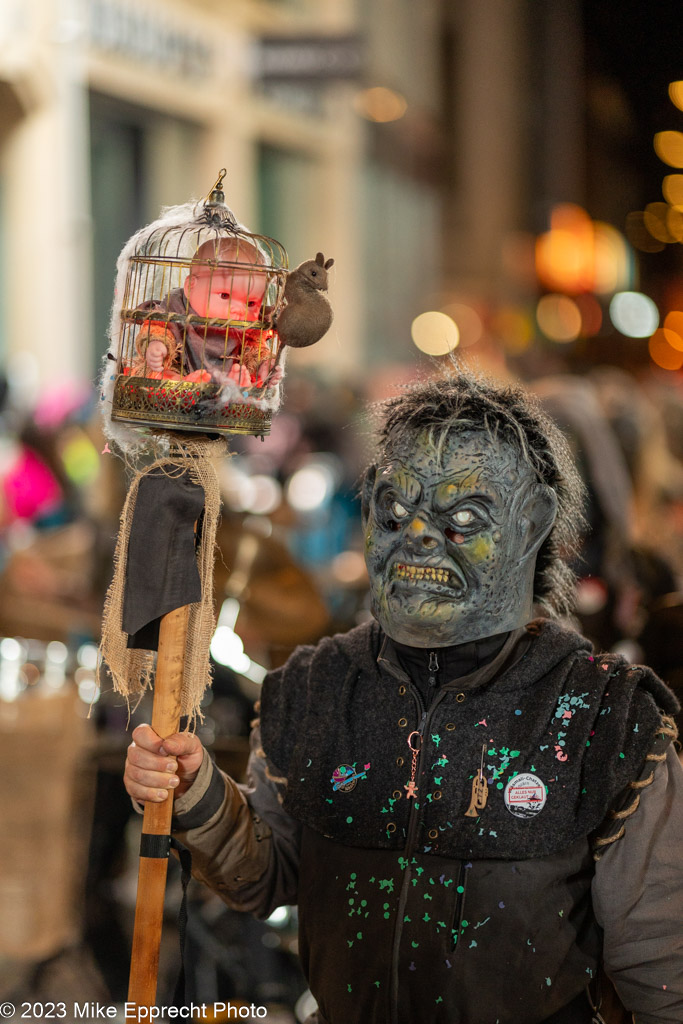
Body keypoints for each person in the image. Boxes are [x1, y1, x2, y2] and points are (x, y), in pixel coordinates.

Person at [124, 372, 683, 1024]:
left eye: (463, 517)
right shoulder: (316, 688)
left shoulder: (603, 717)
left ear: (530, 523)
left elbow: (661, 966)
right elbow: (269, 873)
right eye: (395, 510)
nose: (419, 535)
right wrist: (195, 792)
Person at [130, 237, 276, 387]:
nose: (239, 310)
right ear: (190, 287)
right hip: (178, 369)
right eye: (225, 296)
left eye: (250, 303)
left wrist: (265, 364)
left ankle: (235, 387)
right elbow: (157, 329)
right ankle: (183, 384)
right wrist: (157, 345)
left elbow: (254, 349)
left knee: (249, 373)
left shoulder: (245, 327)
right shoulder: (175, 308)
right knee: (156, 374)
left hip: (227, 377)